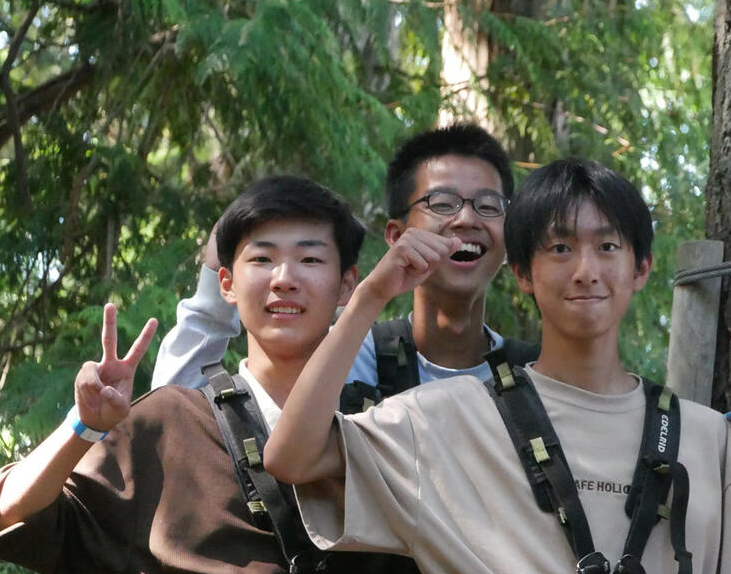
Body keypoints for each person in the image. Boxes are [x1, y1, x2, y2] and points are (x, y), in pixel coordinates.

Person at [264, 158, 731, 574]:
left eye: (608, 246)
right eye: (559, 248)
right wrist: (371, 297)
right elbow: (292, 456)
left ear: (641, 267)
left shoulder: (698, 433)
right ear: (522, 274)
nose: (586, 270)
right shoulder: (452, 415)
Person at [0, 175, 384, 574]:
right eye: (261, 259)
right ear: (227, 285)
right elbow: (10, 517)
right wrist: (80, 427)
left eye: (309, 259)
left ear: (347, 286)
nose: (284, 278)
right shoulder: (174, 419)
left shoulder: (382, 437)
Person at [151, 123, 535, 398]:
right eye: (443, 204)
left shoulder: (538, 376)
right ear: (396, 236)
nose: (466, 219)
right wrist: (217, 287)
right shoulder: (346, 356)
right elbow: (182, 404)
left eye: (488, 206)